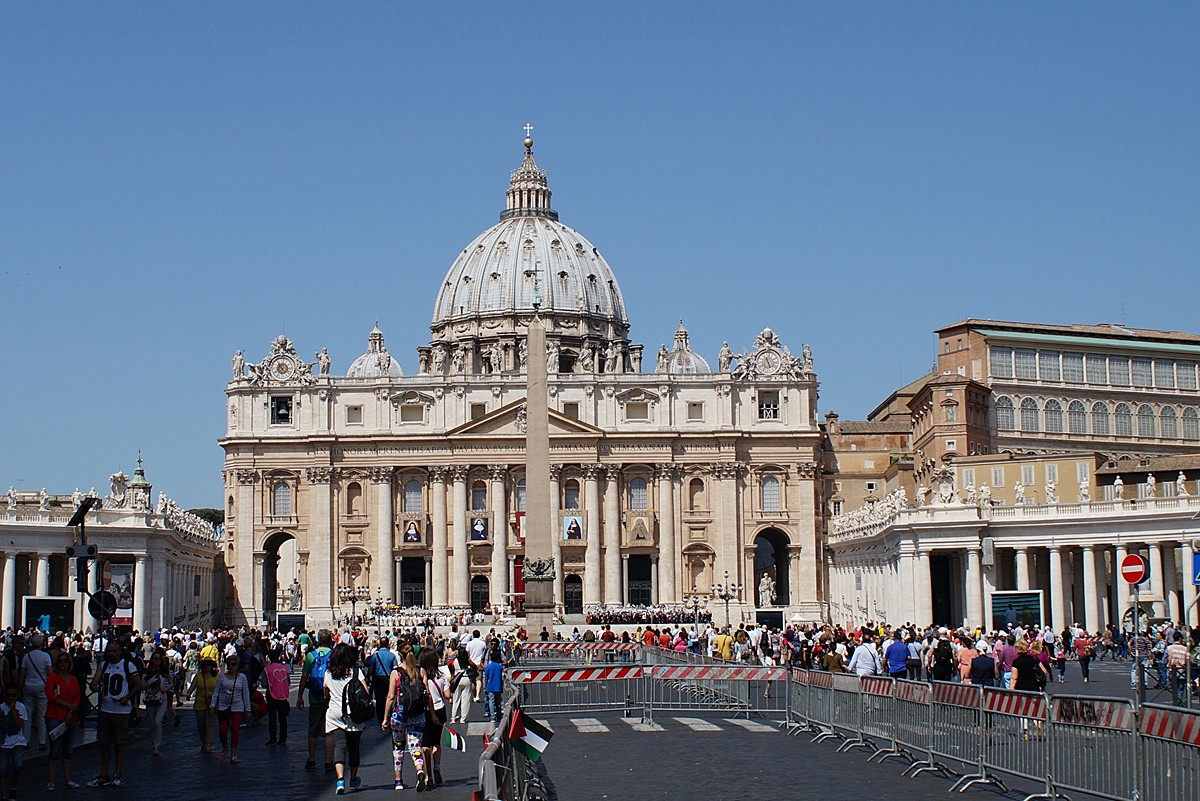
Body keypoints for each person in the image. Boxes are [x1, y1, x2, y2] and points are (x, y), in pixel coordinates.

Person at [87, 640, 142, 787]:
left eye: (114, 651)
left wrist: (127, 697)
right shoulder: (103, 665)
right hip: (105, 709)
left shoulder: (127, 665)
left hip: (121, 711)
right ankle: (104, 774)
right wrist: (94, 686)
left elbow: (138, 684)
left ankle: (118, 774)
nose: (111, 654)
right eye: (109, 651)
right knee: (104, 743)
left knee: (119, 743)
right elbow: (95, 682)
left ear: (119, 651)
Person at [324, 643, 368, 795]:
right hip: (353, 713)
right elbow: (365, 692)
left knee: (339, 745)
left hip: (335, 713)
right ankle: (354, 778)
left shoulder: (328, 673)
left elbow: (325, 693)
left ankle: (340, 779)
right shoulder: (356, 672)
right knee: (354, 747)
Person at [384, 651, 428, 791]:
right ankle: (420, 769)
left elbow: (391, 696)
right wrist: (432, 714)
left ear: (400, 656)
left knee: (398, 747)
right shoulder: (420, 671)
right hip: (418, 715)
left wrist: (385, 717)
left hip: (399, 714)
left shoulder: (396, 673)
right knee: (415, 745)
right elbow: (427, 693)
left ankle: (398, 781)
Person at [297, 629, 335, 772]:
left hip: (314, 697)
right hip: (330, 697)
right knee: (329, 730)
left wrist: (300, 696)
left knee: (313, 730)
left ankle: (312, 760)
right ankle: (328, 761)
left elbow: (304, 677)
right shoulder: (333, 655)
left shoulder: (311, 656)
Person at [45, 651, 82, 790]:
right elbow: (51, 697)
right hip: (55, 716)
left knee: (68, 749)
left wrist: (72, 710)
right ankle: (51, 781)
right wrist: (69, 707)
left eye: (66, 661)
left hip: (70, 717)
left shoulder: (73, 679)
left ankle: (67, 780)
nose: (63, 663)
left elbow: (78, 697)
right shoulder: (52, 678)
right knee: (55, 749)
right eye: (60, 661)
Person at [213, 653, 250, 762]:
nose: (231, 667)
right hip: (223, 706)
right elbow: (216, 692)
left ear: (237, 665)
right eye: (229, 664)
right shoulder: (222, 677)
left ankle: (233, 754)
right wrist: (212, 705)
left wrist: (247, 709)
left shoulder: (242, 677)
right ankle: (224, 749)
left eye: (233, 664)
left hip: (237, 706)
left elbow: (245, 693)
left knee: (234, 730)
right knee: (222, 730)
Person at [418, 649, 447, 787]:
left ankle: (429, 775)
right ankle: (437, 766)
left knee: (425, 744)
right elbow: (447, 695)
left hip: (424, 711)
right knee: (436, 742)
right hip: (439, 709)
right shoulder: (441, 676)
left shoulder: (419, 677)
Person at [21, 633, 52, 750]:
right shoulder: (45, 656)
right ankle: (42, 741)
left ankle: (26, 740)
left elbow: (22, 673)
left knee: (27, 714)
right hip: (41, 686)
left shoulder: (26, 656)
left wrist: (20, 687)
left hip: (28, 685)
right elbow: (49, 673)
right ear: (42, 643)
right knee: (42, 714)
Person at [141, 650, 174, 756]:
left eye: (159, 658)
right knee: (151, 723)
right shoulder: (147, 672)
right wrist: (150, 685)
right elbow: (142, 685)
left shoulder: (164, 671)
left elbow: (171, 683)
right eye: (156, 658)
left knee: (157, 721)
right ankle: (153, 743)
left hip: (162, 698)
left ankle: (156, 745)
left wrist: (165, 688)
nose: (158, 660)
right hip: (151, 697)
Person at [0, 687, 27, 801]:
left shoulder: (21, 707)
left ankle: (13, 787)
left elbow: (19, 725)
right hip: (3, 742)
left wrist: (13, 710)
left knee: (18, 766)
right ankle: (5, 794)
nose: (11, 698)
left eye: (13, 695)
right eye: (9, 695)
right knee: (2, 769)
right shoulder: (0, 708)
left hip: (17, 741)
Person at [187, 658, 219, 753]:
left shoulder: (216, 677)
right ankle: (204, 742)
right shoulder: (199, 676)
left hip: (212, 704)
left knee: (210, 724)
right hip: (200, 703)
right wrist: (189, 693)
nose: (206, 666)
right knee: (201, 725)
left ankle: (208, 744)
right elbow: (193, 686)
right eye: (205, 665)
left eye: (208, 665)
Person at [262, 649, 291, 745]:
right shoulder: (285, 668)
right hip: (283, 695)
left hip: (271, 695)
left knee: (272, 718)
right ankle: (283, 738)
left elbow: (264, 684)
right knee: (283, 718)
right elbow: (289, 682)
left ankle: (273, 738)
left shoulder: (267, 669)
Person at [367, 637, 399, 727]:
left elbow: (371, 667)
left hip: (378, 679)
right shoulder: (392, 655)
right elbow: (395, 668)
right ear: (388, 644)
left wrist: (368, 677)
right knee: (389, 698)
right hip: (389, 679)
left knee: (379, 700)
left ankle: (381, 719)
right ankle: (389, 716)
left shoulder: (375, 655)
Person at [447, 649, 474, 724]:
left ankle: (453, 717)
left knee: (456, 699)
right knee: (466, 700)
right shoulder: (467, 661)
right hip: (466, 678)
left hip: (457, 679)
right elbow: (474, 666)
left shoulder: (455, 660)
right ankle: (463, 718)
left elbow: (451, 667)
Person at [483, 649, 504, 725]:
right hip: (498, 686)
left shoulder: (488, 666)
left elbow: (486, 677)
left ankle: (492, 717)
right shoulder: (500, 666)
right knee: (498, 702)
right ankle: (498, 716)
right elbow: (501, 677)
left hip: (490, 686)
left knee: (491, 701)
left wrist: (485, 686)